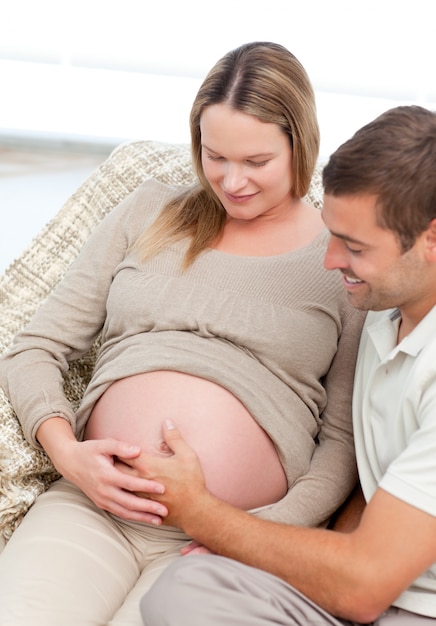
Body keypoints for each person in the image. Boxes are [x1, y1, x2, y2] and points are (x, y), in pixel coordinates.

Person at [0, 42, 365, 626]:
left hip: (231, 538)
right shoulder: (148, 211)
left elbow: (341, 441)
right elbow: (34, 348)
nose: (231, 180)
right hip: (95, 508)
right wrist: (69, 456)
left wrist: (256, 533)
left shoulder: (343, 260)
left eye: (256, 161)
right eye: (213, 155)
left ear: (303, 145)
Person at [135, 104, 436, 625]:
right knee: (184, 592)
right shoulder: (385, 313)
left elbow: (363, 587)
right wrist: (304, 558)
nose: (330, 260)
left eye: (355, 247)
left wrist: (201, 512)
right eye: (332, 234)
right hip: (369, 587)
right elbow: (377, 483)